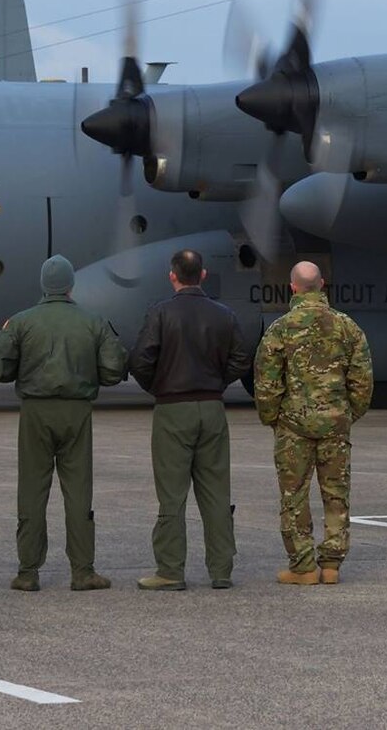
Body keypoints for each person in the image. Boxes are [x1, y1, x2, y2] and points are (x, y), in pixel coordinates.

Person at [0, 254, 129, 591]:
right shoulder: (93, 321)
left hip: (35, 413)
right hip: (76, 411)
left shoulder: (22, 322)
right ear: (71, 285)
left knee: (31, 490)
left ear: (43, 285)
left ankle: (27, 572)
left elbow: (0, 368)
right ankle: (83, 571)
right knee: (78, 491)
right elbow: (114, 371)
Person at [129, 247, 251, 591]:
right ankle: (221, 569)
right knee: (215, 491)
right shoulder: (224, 314)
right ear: (203, 275)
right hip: (212, 407)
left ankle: (170, 569)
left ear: (172, 276)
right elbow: (242, 359)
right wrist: (218, 381)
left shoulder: (160, 313)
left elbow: (140, 359)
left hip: (173, 409)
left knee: (172, 493)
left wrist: (159, 386)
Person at [253, 261, 373, 585]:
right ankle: (331, 565)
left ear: (292, 287)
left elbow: (266, 382)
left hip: (293, 426)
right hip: (335, 425)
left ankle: (303, 566)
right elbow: (362, 381)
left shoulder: (280, 329)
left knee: (294, 497)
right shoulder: (347, 327)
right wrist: (347, 415)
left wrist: (273, 419)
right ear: (322, 284)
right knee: (336, 495)